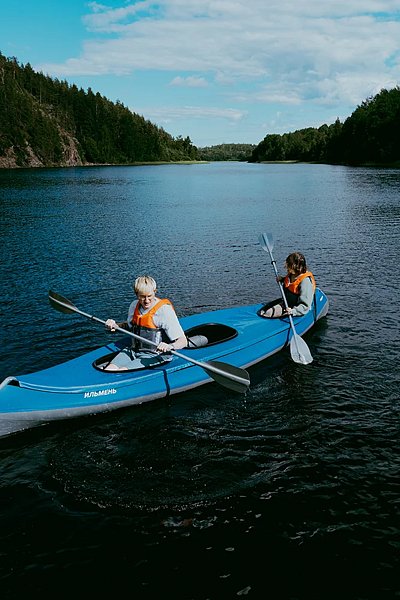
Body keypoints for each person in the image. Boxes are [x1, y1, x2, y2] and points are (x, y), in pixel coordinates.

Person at [104, 275, 187, 370]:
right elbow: (130, 326)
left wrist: (170, 346)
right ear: (136, 294)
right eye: (142, 297)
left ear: (155, 292)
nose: (146, 301)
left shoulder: (164, 311)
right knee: (108, 370)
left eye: (149, 296)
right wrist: (115, 325)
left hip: (155, 355)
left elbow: (183, 341)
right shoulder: (134, 305)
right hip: (133, 350)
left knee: (121, 372)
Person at [260, 252, 316, 318]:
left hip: (297, 308)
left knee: (269, 313)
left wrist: (293, 311)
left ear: (296, 266)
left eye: (288, 266)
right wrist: (282, 279)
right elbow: (290, 283)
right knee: (267, 312)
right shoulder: (292, 274)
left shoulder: (305, 282)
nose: (286, 267)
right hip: (287, 303)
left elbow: (305, 306)